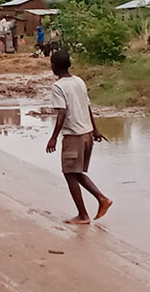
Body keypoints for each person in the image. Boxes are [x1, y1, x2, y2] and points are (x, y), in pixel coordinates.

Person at [46, 50, 113, 224]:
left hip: (74, 135)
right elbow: (87, 106)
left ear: (53, 66)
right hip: (87, 134)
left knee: (69, 174)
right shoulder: (79, 81)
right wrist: (95, 130)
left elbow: (62, 113)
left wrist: (53, 137)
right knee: (75, 172)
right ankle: (101, 200)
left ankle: (84, 214)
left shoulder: (58, 86)